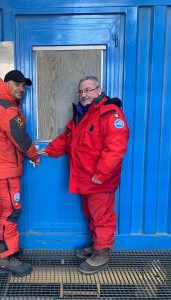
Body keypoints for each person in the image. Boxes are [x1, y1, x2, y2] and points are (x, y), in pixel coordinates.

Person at [39, 76, 129, 274]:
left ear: (99, 90)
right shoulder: (82, 115)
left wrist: (102, 173)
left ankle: (102, 253)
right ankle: (97, 245)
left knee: (102, 216)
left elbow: (116, 148)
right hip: (85, 178)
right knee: (91, 214)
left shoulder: (110, 114)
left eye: (88, 90)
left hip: (99, 179)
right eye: (81, 91)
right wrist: (49, 150)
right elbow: (67, 138)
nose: (84, 94)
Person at [0, 70, 40, 277]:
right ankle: (6, 258)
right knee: (11, 211)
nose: (21, 89)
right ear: (7, 84)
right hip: (4, 171)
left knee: (0, 209)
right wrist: (34, 155)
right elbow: (20, 137)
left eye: (24, 86)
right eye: (17, 84)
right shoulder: (7, 109)